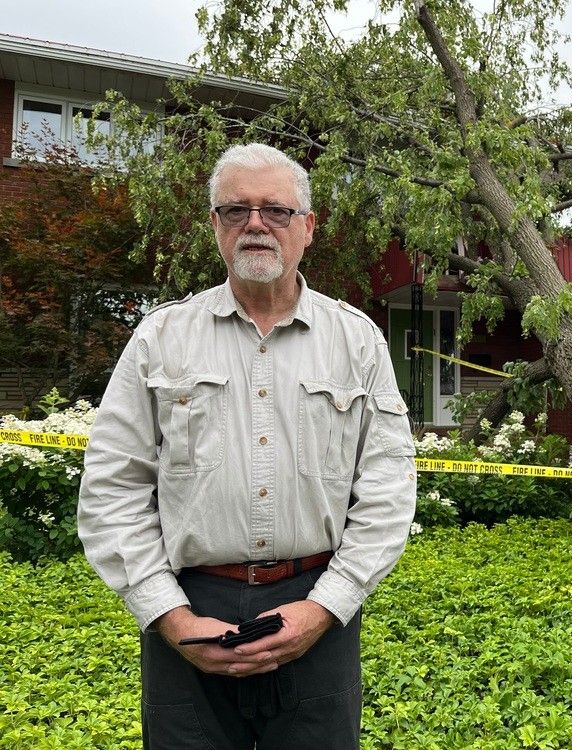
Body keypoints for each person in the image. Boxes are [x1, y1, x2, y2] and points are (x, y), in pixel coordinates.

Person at [78, 143, 417, 749]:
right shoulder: (161, 339)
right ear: (215, 225)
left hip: (318, 608)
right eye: (236, 209)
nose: (256, 223)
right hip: (189, 607)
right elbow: (112, 488)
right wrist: (172, 617)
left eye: (275, 211)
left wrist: (324, 608)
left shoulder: (357, 341)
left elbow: (389, 490)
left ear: (307, 228)